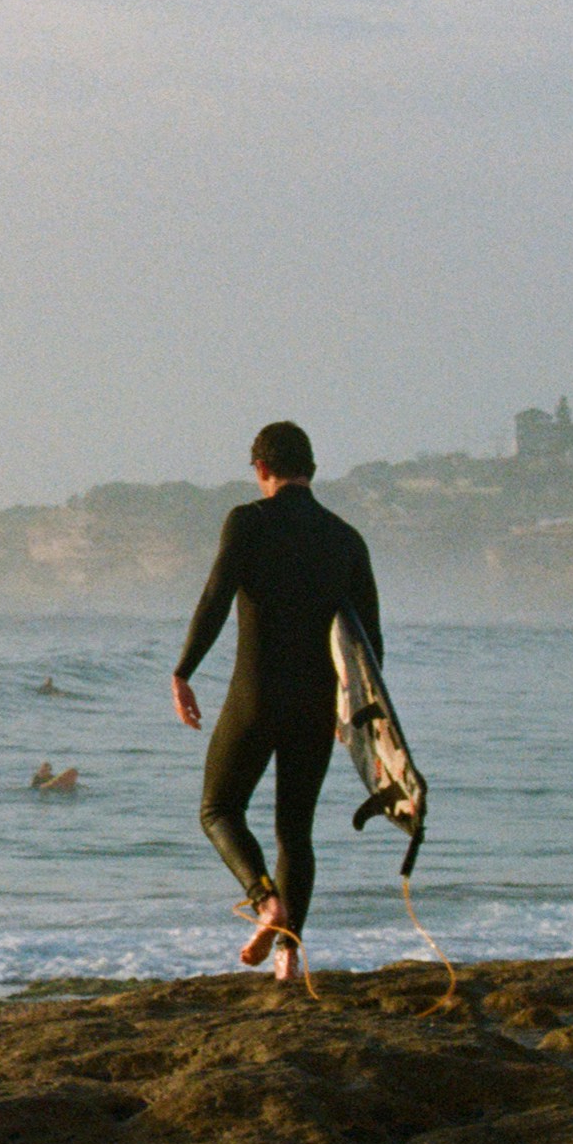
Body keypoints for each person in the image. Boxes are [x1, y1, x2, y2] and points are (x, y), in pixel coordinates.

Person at [172, 421, 381, 983]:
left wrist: (184, 671)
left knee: (218, 809)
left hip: (256, 695)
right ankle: (289, 957)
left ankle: (266, 904)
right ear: (310, 469)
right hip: (317, 706)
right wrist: (352, 711)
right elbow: (370, 643)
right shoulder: (346, 539)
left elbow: (216, 598)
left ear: (261, 468)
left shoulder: (248, 522)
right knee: (296, 831)